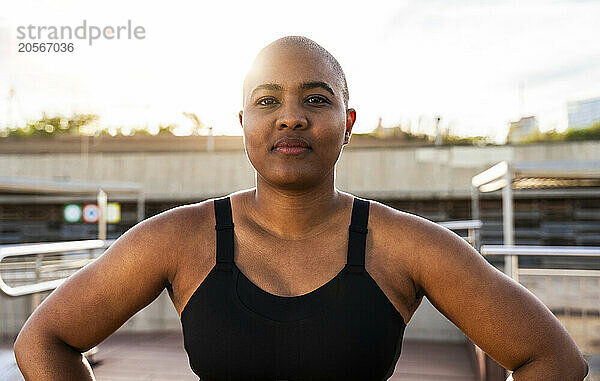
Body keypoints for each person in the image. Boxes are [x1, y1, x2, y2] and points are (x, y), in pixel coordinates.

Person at [14, 36, 588, 381]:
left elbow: (552, 358)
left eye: (317, 99)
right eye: (268, 102)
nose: (291, 117)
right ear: (244, 125)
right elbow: (43, 340)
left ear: (347, 123)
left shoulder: (404, 245)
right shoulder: (178, 239)